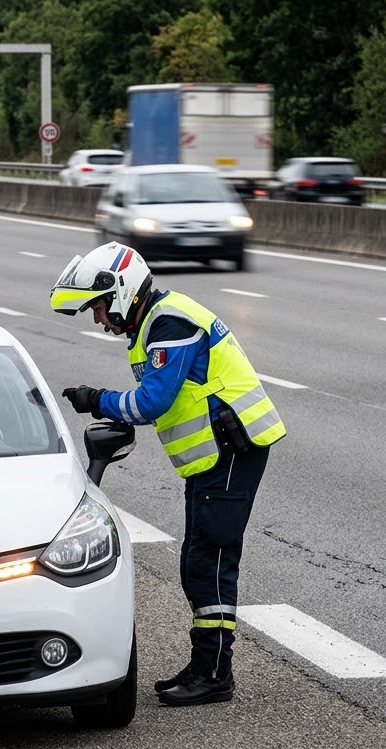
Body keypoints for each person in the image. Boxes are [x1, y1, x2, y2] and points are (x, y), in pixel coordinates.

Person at [49, 242, 286, 707]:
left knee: (210, 560)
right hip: (215, 455)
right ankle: (207, 666)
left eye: (97, 307)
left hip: (233, 447)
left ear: (119, 292)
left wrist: (97, 399)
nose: (98, 319)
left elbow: (152, 401)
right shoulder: (155, 323)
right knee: (199, 560)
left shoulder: (170, 322)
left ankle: (215, 672)